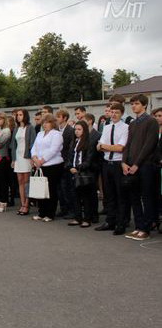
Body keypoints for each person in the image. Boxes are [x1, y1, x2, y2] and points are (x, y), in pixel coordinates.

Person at [122, 94, 159, 241]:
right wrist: (124, 162)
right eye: (132, 104)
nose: (133, 106)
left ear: (144, 105)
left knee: (146, 197)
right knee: (134, 197)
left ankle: (146, 228)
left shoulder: (151, 121)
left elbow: (149, 145)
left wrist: (137, 164)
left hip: (145, 166)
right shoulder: (132, 123)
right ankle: (138, 227)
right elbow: (128, 144)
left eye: (136, 103)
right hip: (130, 165)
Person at [95, 104, 130, 235]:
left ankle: (121, 223)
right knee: (109, 194)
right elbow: (98, 147)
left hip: (118, 164)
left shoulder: (126, 127)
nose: (113, 114)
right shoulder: (107, 127)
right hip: (107, 163)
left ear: (122, 114)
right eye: (112, 112)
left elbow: (120, 148)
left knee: (120, 195)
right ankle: (110, 221)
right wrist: (106, 146)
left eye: (116, 112)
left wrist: (104, 146)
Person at [30, 114, 64, 222]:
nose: (45, 124)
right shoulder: (40, 134)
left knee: (50, 190)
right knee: (40, 189)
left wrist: (41, 161)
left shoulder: (57, 134)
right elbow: (34, 148)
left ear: (52, 123)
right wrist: (34, 158)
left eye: (47, 122)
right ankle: (41, 212)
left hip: (53, 165)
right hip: (40, 165)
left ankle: (50, 214)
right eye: (44, 122)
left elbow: (53, 150)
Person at [66, 121, 96, 228]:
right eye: (75, 129)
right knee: (75, 196)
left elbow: (89, 160)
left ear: (84, 130)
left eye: (79, 129)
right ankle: (77, 217)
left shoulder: (89, 143)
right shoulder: (74, 142)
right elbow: (69, 157)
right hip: (73, 172)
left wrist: (78, 168)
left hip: (84, 173)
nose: (77, 131)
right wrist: (70, 166)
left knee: (86, 197)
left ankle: (87, 219)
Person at [11, 109, 36, 216]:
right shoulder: (16, 129)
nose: (18, 116)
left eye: (20, 115)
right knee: (20, 181)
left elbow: (33, 143)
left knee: (27, 182)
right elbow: (13, 145)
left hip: (27, 157)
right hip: (18, 157)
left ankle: (26, 205)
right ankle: (22, 204)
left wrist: (32, 158)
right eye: (17, 115)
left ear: (25, 116)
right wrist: (13, 159)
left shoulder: (30, 128)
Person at [56, 109, 75, 219]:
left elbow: (71, 148)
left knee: (67, 187)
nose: (57, 119)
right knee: (59, 188)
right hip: (57, 162)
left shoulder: (70, 130)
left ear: (65, 118)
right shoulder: (56, 130)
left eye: (59, 117)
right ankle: (63, 209)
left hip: (66, 162)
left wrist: (68, 162)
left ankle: (71, 210)